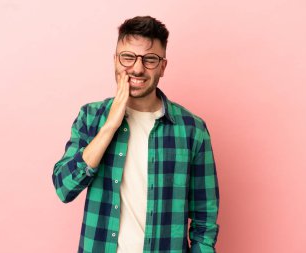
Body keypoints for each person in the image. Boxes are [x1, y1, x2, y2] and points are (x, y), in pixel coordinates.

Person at [52, 16, 219, 253]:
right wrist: (110, 125)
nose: (138, 68)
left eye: (150, 59)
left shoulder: (192, 129)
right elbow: (64, 188)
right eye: (128, 57)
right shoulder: (90, 117)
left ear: (163, 66)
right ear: (115, 61)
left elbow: (205, 218)